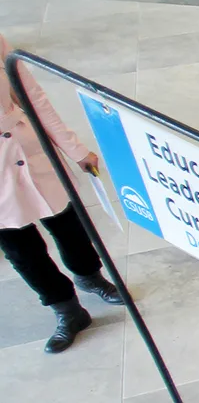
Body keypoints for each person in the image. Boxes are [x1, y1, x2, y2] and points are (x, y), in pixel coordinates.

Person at [0, 34, 125, 354]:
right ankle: (66, 309)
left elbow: (31, 94)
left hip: (27, 147)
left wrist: (74, 148)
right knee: (20, 249)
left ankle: (90, 277)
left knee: (68, 224)